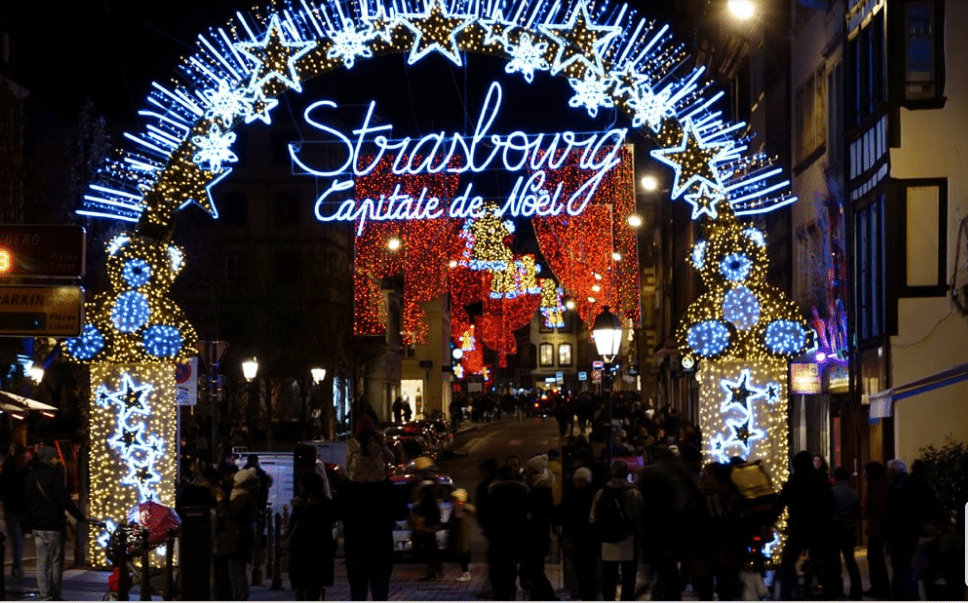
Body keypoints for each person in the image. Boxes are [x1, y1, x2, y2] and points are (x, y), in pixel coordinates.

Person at [336, 416, 410, 600]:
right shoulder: (385, 488)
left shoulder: (348, 489)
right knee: (380, 592)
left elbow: (334, 512)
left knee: (358, 592)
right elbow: (403, 512)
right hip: (380, 550)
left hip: (356, 551)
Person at [25, 446, 92, 601]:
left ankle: (44, 594)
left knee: (41, 562)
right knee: (56, 562)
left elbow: (26, 502)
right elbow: (64, 500)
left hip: (38, 526)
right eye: (54, 457)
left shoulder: (31, 476)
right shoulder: (53, 474)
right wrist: (79, 516)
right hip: (53, 525)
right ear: (48, 458)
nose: (57, 460)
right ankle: (55, 594)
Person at [777, 450, 837, 601]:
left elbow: (779, 506)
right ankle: (829, 591)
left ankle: (787, 595)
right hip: (820, 530)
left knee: (786, 565)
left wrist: (767, 520)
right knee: (825, 563)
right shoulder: (820, 481)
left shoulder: (793, 482)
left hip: (798, 531)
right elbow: (831, 505)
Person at [590, 458, 643, 601]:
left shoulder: (601, 493)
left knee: (608, 577)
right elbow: (639, 518)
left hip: (607, 541)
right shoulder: (634, 493)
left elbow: (593, 517)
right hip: (629, 539)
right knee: (628, 578)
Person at [286, 471, 335, 600]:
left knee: (301, 590)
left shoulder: (300, 505)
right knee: (313, 590)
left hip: (301, 553)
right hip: (317, 554)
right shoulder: (324, 504)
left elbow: (291, 528)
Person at [486, 465, 530, 600]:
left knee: (500, 565)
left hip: (500, 532)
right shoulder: (523, 489)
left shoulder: (494, 491)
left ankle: (502, 593)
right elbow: (528, 510)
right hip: (518, 531)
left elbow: (489, 512)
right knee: (513, 564)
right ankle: (512, 590)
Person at [215, 466, 260, 600]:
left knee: (236, 573)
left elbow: (232, 515)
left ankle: (239, 598)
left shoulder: (243, 497)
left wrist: (221, 502)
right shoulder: (244, 495)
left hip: (237, 539)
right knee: (235, 573)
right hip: (238, 538)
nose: (233, 483)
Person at [560, 466, 598, 600]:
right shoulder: (591, 496)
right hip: (580, 538)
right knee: (583, 570)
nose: (580, 484)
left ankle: (588, 593)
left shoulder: (575, 496)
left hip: (584, 538)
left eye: (582, 481)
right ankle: (586, 592)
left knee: (586, 569)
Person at [830, 466, 862, 599]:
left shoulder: (831, 492)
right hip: (848, 530)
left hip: (834, 530)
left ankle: (838, 590)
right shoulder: (853, 492)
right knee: (850, 561)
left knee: (835, 561)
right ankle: (856, 591)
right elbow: (858, 513)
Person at [1, 446, 30, 581]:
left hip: (24, 512)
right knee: (17, 541)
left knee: (20, 541)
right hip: (12, 511)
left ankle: (15, 566)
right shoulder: (9, 473)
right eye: (20, 458)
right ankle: (18, 569)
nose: (22, 461)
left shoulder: (28, 473)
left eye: (24, 458)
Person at [862, 461, 890, 598]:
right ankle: (880, 586)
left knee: (874, 557)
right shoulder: (882, 484)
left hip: (877, 526)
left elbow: (873, 506)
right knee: (876, 557)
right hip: (878, 526)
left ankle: (879, 587)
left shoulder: (876, 486)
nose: (864, 476)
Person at [411, 480, 444, 581]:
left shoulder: (426, 496)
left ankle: (432, 571)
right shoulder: (432, 496)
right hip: (430, 526)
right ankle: (436, 570)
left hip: (426, 527)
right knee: (432, 548)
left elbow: (424, 510)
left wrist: (418, 507)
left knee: (429, 549)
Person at [447, 488, 476, 582]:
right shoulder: (459, 507)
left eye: (453, 500)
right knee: (462, 553)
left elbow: (457, 520)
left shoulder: (461, 507)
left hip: (461, 535)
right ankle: (465, 572)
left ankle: (466, 573)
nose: (452, 502)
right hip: (459, 534)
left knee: (462, 553)